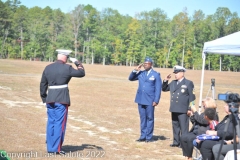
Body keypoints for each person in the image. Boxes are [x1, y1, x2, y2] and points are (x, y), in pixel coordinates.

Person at [40, 49, 85, 154]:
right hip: (61, 99)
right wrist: (77, 62)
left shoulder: (48, 67)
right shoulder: (67, 68)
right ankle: (56, 149)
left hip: (50, 98)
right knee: (60, 124)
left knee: (51, 122)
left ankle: (50, 147)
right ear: (65, 57)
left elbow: (43, 84)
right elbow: (81, 73)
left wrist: (44, 97)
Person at [129, 57, 162, 142]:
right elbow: (131, 78)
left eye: (147, 64)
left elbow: (158, 89)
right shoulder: (141, 73)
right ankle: (143, 136)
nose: (145, 65)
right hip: (140, 99)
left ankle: (149, 137)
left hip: (150, 100)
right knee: (143, 118)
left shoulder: (156, 74)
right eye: (144, 63)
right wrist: (135, 70)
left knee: (150, 118)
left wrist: (156, 100)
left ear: (151, 64)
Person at [162, 65, 196, 147]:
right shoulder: (173, 83)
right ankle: (176, 142)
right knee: (175, 126)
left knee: (184, 128)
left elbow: (192, 97)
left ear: (182, 73)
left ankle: (183, 143)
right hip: (174, 108)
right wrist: (165, 80)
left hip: (183, 109)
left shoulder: (188, 83)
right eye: (175, 73)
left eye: (177, 73)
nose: (175, 74)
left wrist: (190, 108)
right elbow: (164, 89)